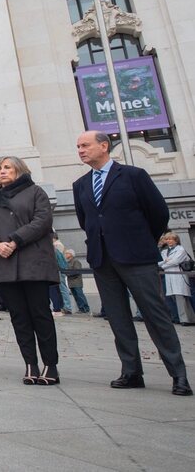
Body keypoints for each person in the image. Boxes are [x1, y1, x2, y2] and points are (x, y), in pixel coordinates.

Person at [72, 130, 190, 396]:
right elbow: (86, 220)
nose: (80, 150)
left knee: (155, 315)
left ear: (104, 146)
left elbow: (158, 212)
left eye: (85, 145)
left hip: (137, 258)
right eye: (78, 146)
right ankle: (131, 370)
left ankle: (178, 374)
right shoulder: (80, 184)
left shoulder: (134, 176)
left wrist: (141, 241)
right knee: (118, 318)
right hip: (103, 260)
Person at [0, 156, 60, 385]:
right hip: (4, 265)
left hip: (33, 263)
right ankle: (30, 364)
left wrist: (14, 240)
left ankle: (50, 365)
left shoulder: (35, 192)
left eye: (7, 168)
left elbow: (42, 220)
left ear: (19, 170)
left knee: (40, 314)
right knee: (19, 317)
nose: (2, 172)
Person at [159, 233, 192, 325]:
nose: (169, 241)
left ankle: (185, 319)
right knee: (172, 297)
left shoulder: (181, 250)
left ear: (176, 240)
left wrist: (164, 264)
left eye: (171, 239)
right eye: (167, 239)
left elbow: (175, 261)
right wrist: (165, 262)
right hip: (169, 276)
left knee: (180, 297)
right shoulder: (164, 251)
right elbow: (158, 263)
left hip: (178, 275)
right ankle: (178, 318)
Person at [64, 250, 90, 314]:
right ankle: (80, 308)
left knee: (80, 295)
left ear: (71, 254)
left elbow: (77, 271)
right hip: (71, 282)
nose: (66, 255)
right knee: (76, 296)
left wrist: (68, 274)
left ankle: (85, 308)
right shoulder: (68, 262)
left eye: (67, 253)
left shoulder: (75, 261)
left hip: (76, 282)